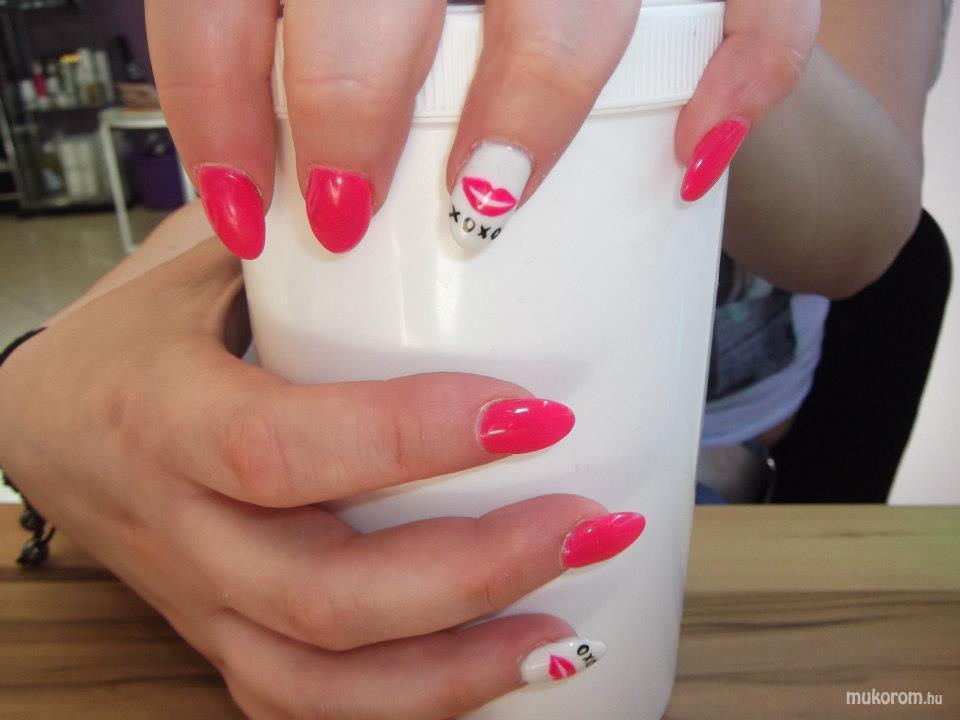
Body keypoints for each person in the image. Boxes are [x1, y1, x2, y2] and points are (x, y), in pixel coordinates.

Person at [0, 1, 945, 717]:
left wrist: (696, 32)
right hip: (305, 498)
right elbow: (239, 221)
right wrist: (36, 397)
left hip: (721, 485)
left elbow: (869, 238)